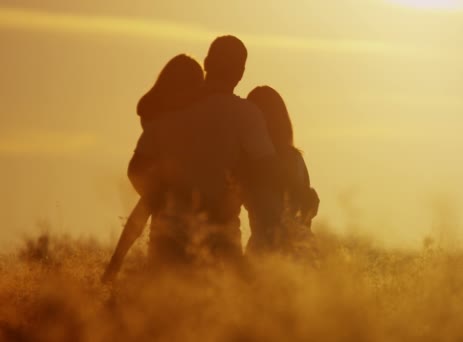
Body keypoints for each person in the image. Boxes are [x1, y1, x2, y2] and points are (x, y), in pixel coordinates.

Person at [125, 36, 284, 272]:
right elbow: (269, 170)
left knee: (162, 307)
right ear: (240, 73)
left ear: (207, 62)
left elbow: (135, 170)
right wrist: (233, 195)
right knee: (216, 307)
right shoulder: (246, 114)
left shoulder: (171, 109)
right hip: (220, 239)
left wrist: (166, 200)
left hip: (166, 241)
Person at [102, 54, 205, 282]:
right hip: (194, 240)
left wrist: (115, 263)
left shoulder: (161, 127)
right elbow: (138, 182)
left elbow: (140, 194)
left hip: (170, 241)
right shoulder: (177, 128)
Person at [243, 86, 319, 258]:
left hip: (262, 252)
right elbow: (307, 213)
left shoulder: (249, 163)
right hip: (299, 251)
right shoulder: (296, 159)